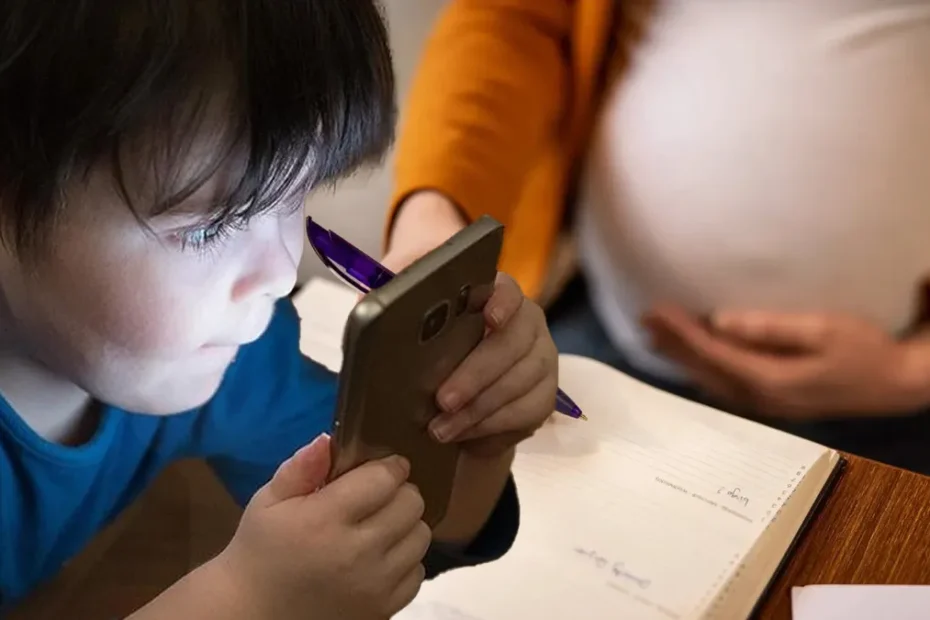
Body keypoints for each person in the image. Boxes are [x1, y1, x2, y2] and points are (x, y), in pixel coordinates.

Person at [0, 1, 560, 618]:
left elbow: (404, 524)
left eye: (296, 194)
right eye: (211, 228)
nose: (281, 273)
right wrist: (240, 601)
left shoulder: (223, 360)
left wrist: (477, 437)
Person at [382, 0, 930, 473]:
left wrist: (911, 373)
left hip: (894, 408)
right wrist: (437, 210)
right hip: (607, 348)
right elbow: (517, 20)